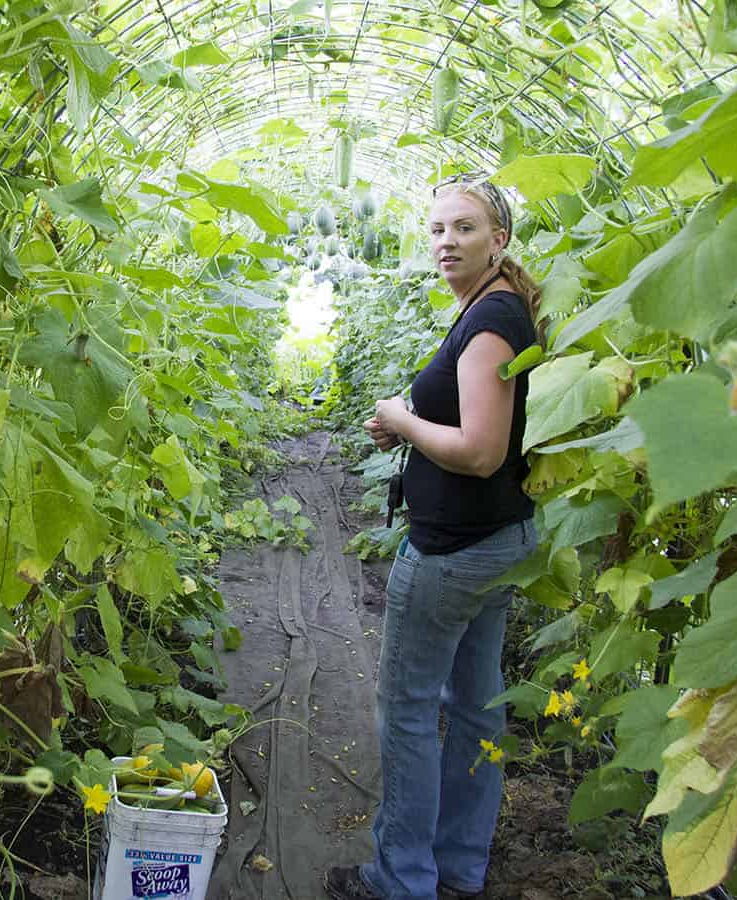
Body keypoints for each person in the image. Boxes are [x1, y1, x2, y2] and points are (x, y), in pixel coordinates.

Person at [325, 176, 543, 900]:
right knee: (478, 706)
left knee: (409, 710)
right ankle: (457, 868)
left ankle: (400, 881)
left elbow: (480, 450)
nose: (446, 242)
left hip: (451, 552)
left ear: (499, 239)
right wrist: (407, 424)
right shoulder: (495, 310)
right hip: (497, 539)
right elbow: (482, 429)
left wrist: (401, 414)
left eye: (464, 229)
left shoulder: (489, 323)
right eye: (437, 229)